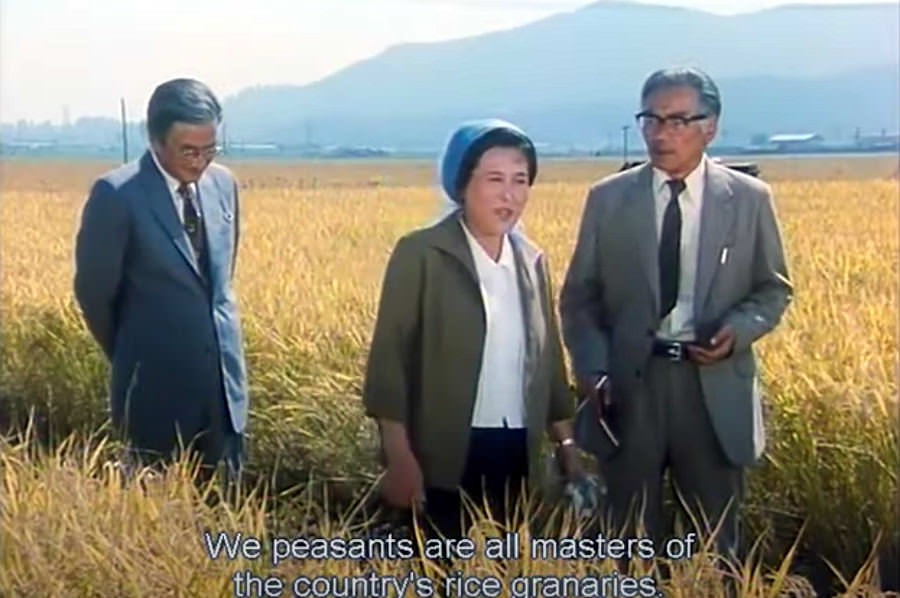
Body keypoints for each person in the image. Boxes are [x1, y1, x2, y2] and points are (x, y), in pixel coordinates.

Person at [559, 67, 792, 560]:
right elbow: (580, 296)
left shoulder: (748, 200)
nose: (661, 133)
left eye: (678, 120)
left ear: (711, 126)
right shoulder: (608, 199)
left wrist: (738, 330)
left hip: (712, 390)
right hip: (629, 388)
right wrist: (592, 368)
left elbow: (772, 289)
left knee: (715, 548)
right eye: (651, 119)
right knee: (627, 544)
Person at [362, 119, 582, 541]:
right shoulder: (422, 253)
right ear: (461, 184)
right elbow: (390, 362)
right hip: (443, 449)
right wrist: (399, 457)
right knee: (435, 567)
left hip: (517, 445)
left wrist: (567, 447)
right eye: (494, 179)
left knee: (511, 565)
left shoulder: (531, 261)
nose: (509, 194)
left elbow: (550, 362)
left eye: (520, 180)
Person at [73, 78, 248, 484]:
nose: (200, 161)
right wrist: (137, 352)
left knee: (227, 516)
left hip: (224, 392)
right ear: (155, 140)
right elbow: (95, 294)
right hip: (154, 395)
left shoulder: (224, 184)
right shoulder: (118, 195)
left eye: (210, 149)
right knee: (157, 523)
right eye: (189, 150)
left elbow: (218, 283)